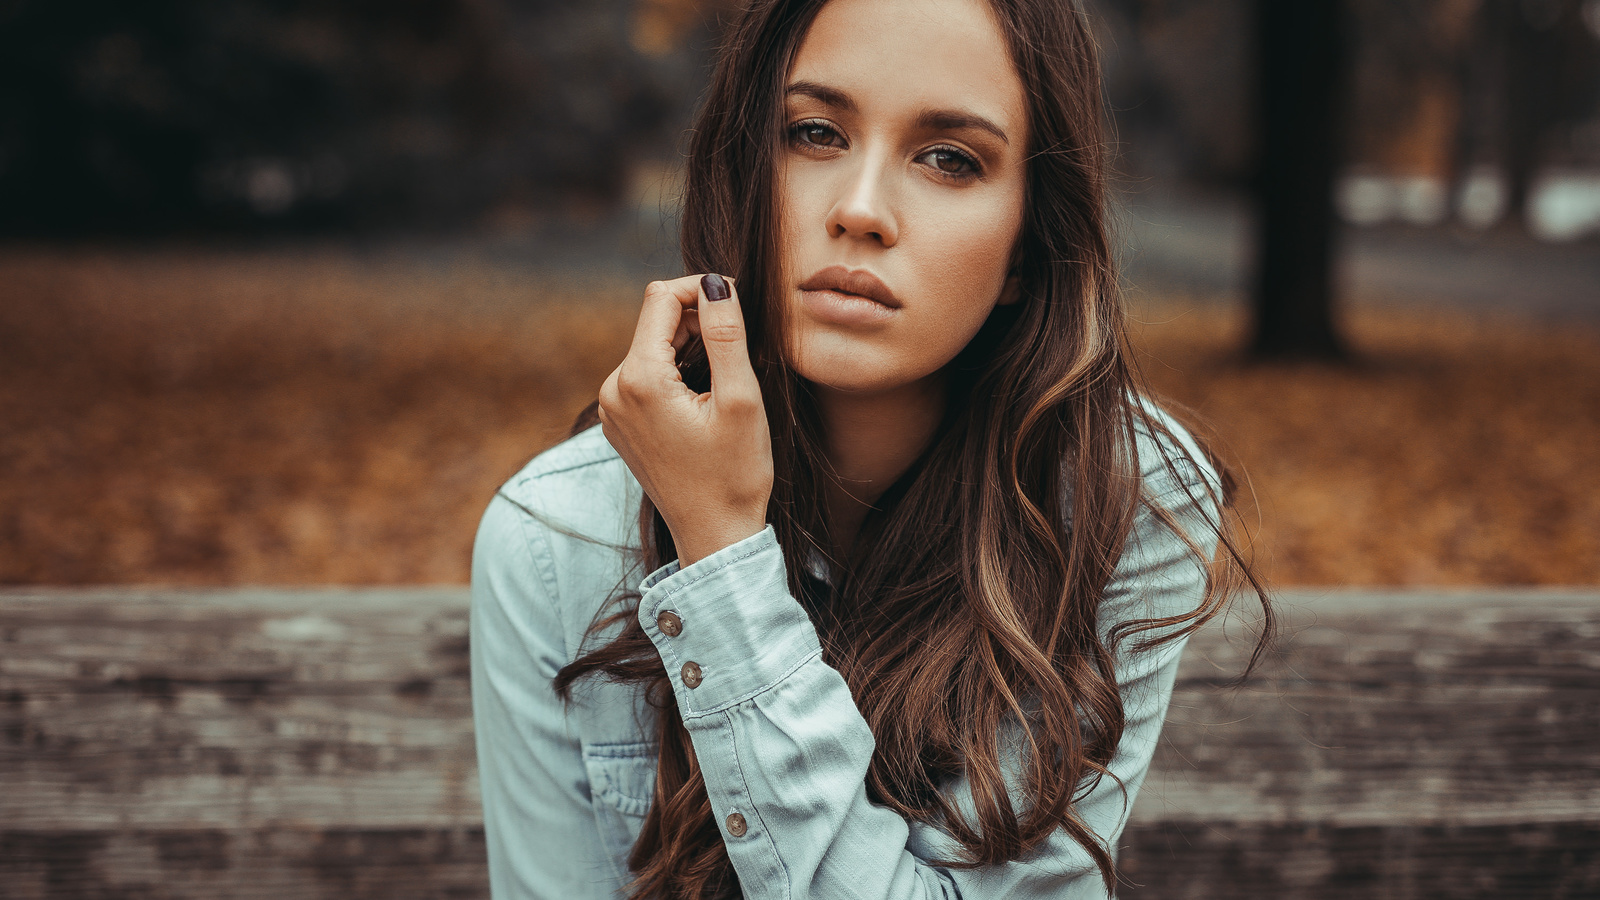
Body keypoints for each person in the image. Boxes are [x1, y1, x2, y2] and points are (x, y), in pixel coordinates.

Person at [469, 0, 1270, 897]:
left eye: (949, 158)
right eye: (815, 133)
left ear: (1026, 247)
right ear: (745, 170)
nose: (859, 210)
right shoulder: (556, 542)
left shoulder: (1127, 502)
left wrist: (723, 560)